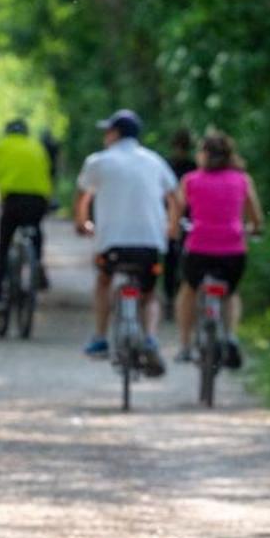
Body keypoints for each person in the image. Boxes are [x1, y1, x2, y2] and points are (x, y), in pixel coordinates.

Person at [73, 109, 177, 376]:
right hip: (149, 242)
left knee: (104, 281)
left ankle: (99, 337)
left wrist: (82, 223)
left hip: (112, 244)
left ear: (115, 133)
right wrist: (171, 227)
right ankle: (151, 338)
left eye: (108, 130)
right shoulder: (154, 161)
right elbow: (175, 198)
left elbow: (83, 198)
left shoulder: (98, 161)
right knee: (150, 295)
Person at [171, 130, 263, 367]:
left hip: (199, 248)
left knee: (188, 290)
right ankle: (230, 335)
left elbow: (177, 213)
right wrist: (254, 228)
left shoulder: (190, 180)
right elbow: (256, 218)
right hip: (233, 251)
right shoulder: (242, 180)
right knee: (231, 293)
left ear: (203, 154)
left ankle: (184, 345)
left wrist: (173, 232)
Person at [0, 119, 54, 311]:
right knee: (35, 229)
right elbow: (47, 174)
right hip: (38, 199)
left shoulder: (2, 145)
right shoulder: (37, 146)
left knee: (4, 246)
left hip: (12, 200)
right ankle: (38, 262)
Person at [161, 128, 196, 316]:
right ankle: (170, 296)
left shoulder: (187, 166)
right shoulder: (190, 166)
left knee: (177, 259)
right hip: (178, 218)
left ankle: (174, 296)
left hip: (181, 218)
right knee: (173, 259)